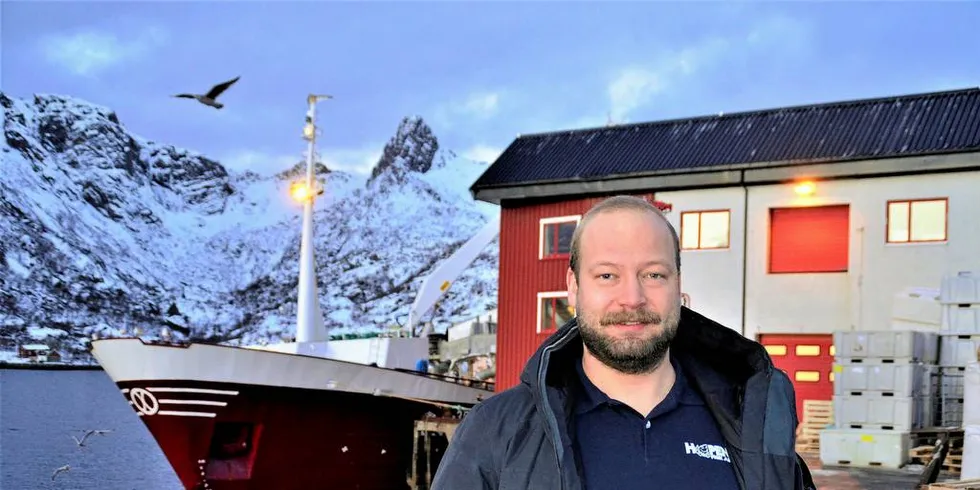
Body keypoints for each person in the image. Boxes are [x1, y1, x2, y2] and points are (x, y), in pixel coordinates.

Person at [430, 195, 816, 490]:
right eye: (607, 276)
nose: (632, 298)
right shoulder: (496, 432)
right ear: (573, 287)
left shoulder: (752, 420)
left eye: (653, 275)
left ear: (678, 285)